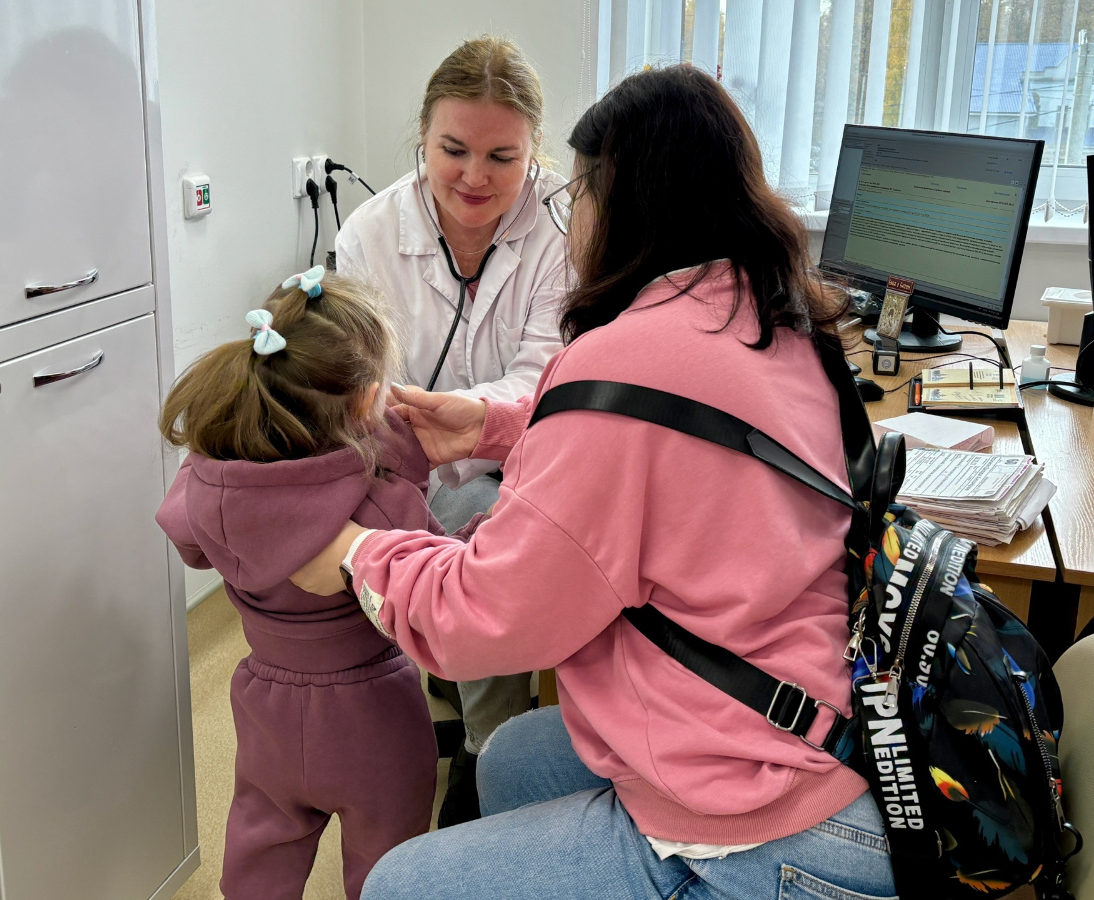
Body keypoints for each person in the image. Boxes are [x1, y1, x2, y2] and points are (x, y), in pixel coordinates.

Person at [291, 66, 897, 899]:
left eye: (573, 194)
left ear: (619, 203)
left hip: (771, 821)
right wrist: (493, 424)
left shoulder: (617, 361)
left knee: (400, 886)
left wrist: (360, 553)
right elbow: (671, 433)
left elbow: (485, 619)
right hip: (837, 729)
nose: (566, 216)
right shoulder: (776, 316)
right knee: (513, 759)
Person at [334, 35, 569, 824]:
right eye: (453, 150)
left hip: (525, 454)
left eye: (503, 157)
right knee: (450, 530)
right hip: (403, 459)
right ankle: (446, 730)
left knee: (487, 531)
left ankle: (485, 745)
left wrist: (472, 421)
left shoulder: (562, 229)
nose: (475, 177)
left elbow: (547, 374)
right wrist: (415, 429)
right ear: (422, 137)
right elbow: (356, 380)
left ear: (534, 149)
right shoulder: (369, 236)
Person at [153, 267, 440, 900]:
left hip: (266, 703)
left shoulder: (210, 486)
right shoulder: (385, 502)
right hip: (375, 707)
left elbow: (186, 539)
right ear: (368, 400)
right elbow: (445, 584)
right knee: (388, 861)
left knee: (261, 844)